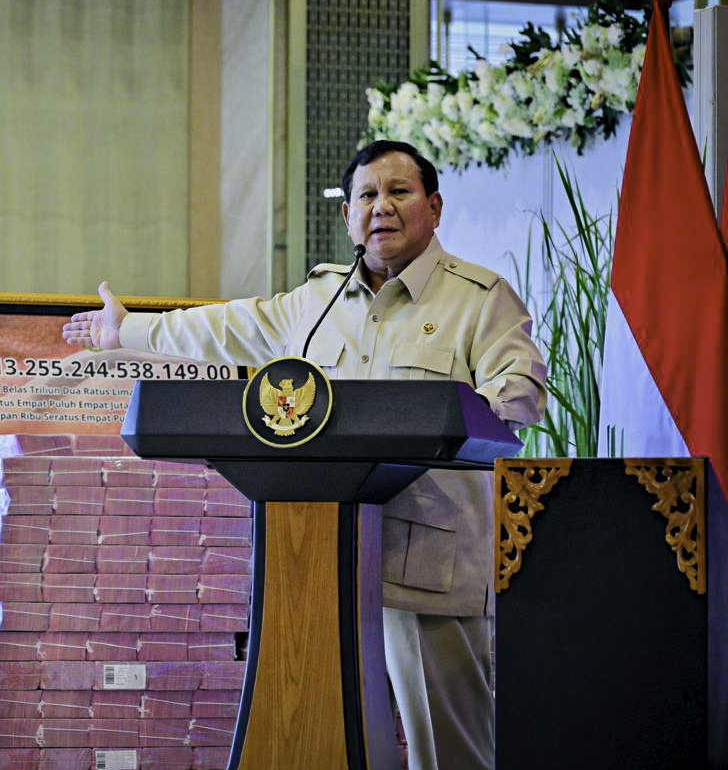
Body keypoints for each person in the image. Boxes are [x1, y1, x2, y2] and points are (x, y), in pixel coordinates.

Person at [62, 139, 547, 770]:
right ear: (348, 215)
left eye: (399, 192)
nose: (381, 207)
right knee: (318, 733)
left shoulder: (479, 296)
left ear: (433, 206)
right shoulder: (316, 303)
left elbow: (520, 394)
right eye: (366, 195)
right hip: (324, 555)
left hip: (430, 557)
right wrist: (125, 330)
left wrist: (456, 415)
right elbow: (226, 328)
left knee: (449, 750)